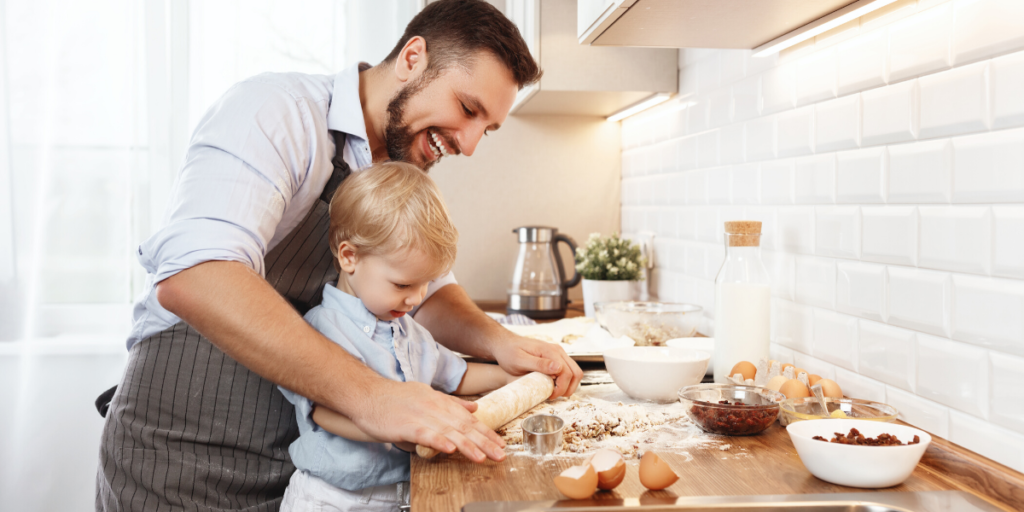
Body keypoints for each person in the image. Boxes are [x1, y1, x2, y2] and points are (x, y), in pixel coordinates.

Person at [95, 1, 583, 510]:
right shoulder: (276, 112)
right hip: (182, 460)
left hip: (301, 468)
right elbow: (197, 275)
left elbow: (429, 295)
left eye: (488, 127)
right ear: (413, 57)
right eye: (467, 109)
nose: (469, 144)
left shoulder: (394, 169)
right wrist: (374, 398)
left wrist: (501, 343)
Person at [279, 161, 523, 511]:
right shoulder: (324, 328)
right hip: (333, 500)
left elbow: (458, 375)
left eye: (426, 283)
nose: (416, 298)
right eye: (403, 284)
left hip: (401, 497)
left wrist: (511, 375)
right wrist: (397, 428)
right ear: (350, 257)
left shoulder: (409, 331)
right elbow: (323, 412)